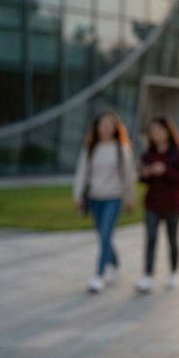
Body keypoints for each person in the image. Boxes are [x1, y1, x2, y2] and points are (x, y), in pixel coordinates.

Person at [73, 110, 137, 293]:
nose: (106, 128)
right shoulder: (91, 147)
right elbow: (82, 173)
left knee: (106, 235)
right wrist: (78, 196)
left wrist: (130, 199)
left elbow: (128, 176)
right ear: (97, 127)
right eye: (103, 125)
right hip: (94, 198)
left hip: (114, 198)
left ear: (115, 128)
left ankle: (98, 276)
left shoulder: (122, 148)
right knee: (103, 236)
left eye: (110, 125)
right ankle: (116, 265)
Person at [136, 115, 179, 293]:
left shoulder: (177, 152)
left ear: (168, 132)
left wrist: (165, 171)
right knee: (151, 238)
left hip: (173, 204)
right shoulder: (148, 153)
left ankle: (173, 273)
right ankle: (147, 275)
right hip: (152, 203)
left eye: (158, 131)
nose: (155, 134)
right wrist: (147, 173)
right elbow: (141, 178)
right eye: (152, 131)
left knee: (172, 239)